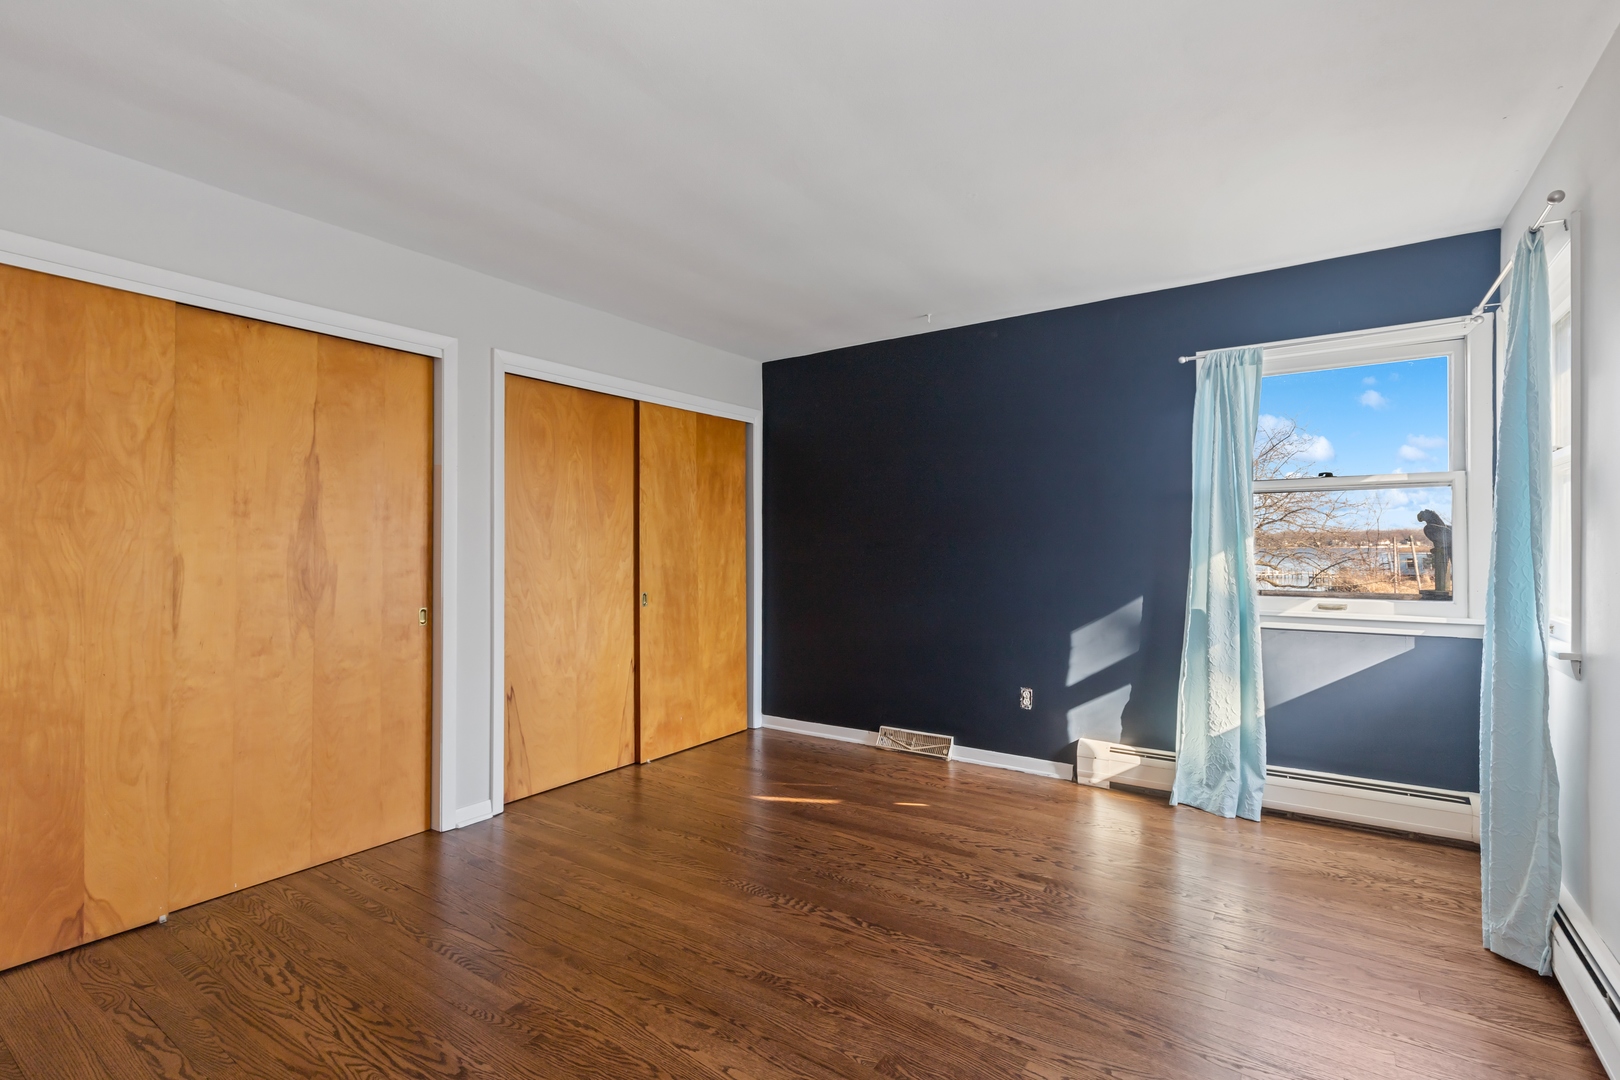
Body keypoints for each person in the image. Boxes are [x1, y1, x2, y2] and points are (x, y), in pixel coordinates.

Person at [1418, 509, 1451, 596]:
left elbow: (1442, 542)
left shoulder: (1429, 528)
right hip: (1446, 549)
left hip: (1445, 550)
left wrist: (1438, 548)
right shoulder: (1446, 528)